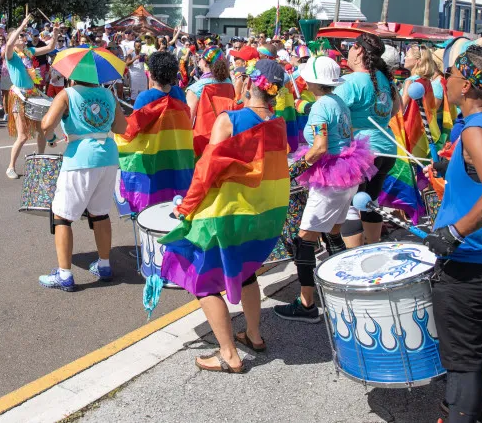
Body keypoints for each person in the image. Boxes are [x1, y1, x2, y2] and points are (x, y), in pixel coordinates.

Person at [163, 59, 291, 372]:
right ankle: (254, 335)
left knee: (203, 282)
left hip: (227, 214)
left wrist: (186, 207)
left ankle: (228, 355)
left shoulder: (229, 120)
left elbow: (206, 171)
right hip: (258, 215)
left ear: (250, 83)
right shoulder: (278, 124)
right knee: (246, 272)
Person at [429, 45, 482, 423]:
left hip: (470, 263)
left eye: (449, 75)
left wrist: (453, 232)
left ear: (465, 84)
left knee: (462, 363)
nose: (444, 81)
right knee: (475, 350)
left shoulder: (478, 130)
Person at [274, 56, 377, 322]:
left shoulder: (321, 106)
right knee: (332, 232)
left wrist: (294, 170)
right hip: (347, 173)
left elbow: (319, 147)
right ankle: (343, 289)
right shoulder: (337, 101)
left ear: (311, 81)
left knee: (305, 238)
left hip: (330, 177)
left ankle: (307, 304)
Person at [38, 69, 128, 291]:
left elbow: (46, 124)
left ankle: (64, 274)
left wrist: (51, 138)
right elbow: (121, 127)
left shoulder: (67, 94)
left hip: (80, 158)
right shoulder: (109, 95)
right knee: (100, 213)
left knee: (62, 216)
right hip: (108, 157)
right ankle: (104, 265)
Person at [336, 33, 400, 248]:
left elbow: (332, 112)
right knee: (370, 202)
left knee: (351, 206)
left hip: (362, 151)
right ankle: (373, 247)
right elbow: (395, 109)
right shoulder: (385, 79)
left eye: (351, 46)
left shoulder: (351, 81)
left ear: (359, 50)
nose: (348, 51)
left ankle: (355, 257)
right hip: (386, 148)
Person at [116, 51, 194, 212]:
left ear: (151, 74)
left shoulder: (145, 97)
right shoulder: (179, 94)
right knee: (173, 191)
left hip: (153, 156)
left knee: (154, 194)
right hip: (175, 153)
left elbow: (133, 128)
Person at [3, 16, 60, 178]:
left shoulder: (28, 52)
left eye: (23, 35)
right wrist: (21, 26)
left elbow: (50, 47)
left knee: (42, 131)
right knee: (22, 136)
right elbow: (9, 44)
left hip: (32, 94)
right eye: (20, 36)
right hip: (19, 96)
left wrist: (55, 33)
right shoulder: (10, 55)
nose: (23, 37)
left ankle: (40, 160)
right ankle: (11, 167)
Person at [185, 47, 233, 120]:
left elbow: (188, 120)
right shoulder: (229, 82)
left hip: (204, 126)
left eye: (201, 58)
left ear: (205, 63)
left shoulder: (195, 89)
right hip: (226, 125)